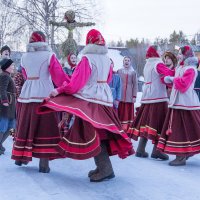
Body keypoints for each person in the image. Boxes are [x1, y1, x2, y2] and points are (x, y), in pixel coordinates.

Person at [38, 29, 134, 182]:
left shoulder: (87, 59)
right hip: (105, 99)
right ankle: (102, 166)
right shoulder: (106, 58)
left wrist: (60, 90)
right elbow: (108, 79)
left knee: (93, 134)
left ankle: (105, 169)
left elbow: (76, 83)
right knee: (100, 133)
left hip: (90, 100)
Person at [11, 31, 68, 173]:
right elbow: (58, 77)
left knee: (25, 125)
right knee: (45, 128)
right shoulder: (49, 56)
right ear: (44, 42)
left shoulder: (24, 57)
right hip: (44, 94)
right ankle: (44, 165)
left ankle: (20, 157)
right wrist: (69, 86)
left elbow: (24, 74)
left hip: (27, 93)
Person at [128, 45, 174, 160]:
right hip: (158, 97)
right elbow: (169, 73)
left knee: (147, 123)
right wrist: (175, 69)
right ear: (155, 52)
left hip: (147, 97)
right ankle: (157, 151)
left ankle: (140, 149)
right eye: (159, 50)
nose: (161, 52)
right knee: (160, 124)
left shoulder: (148, 64)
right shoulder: (158, 63)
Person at [157, 45, 200, 166]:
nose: (178, 55)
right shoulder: (181, 67)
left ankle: (181, 156)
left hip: (186, 103)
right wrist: (166, 77)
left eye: (180, 53)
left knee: (183, 129)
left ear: (186, 55)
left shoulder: (190, 69)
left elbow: (183, 85)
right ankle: (185, 153)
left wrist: (172, 79)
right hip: (177, 102)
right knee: (183, 129)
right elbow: (175, 79)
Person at [117, 56, 138, 131]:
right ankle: (119, 127)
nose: (126, 61)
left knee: (127, 112)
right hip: (120, 95)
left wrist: (134, 96)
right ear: (123, 62)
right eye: (125, 60)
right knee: (120, 111)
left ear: (130, 62)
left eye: (128, 60)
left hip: (129, 95)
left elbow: (135, 84)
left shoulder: (133, 72)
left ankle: (127, 128)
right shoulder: (119, 71)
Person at [0, 59, 16, 155]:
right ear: (6, 67)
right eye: (11, 66)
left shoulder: (7, 76)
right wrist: (5, 101)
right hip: (6, 106)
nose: (13, 67)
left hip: (11, 105)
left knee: (11, 127)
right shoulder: (4, 76)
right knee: (3, 126)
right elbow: (2, 90)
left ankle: (0, 144)